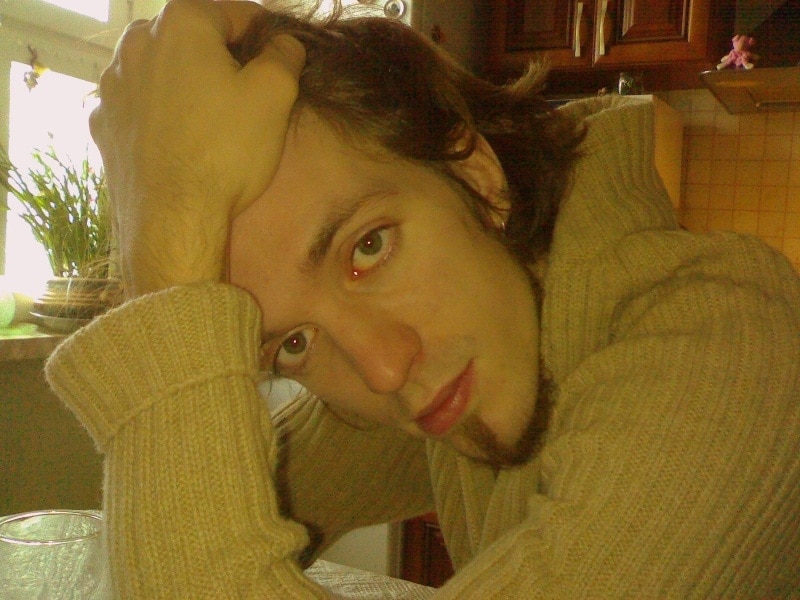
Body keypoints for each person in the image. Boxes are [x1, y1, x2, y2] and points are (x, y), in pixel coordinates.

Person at [44, 0, 800, 597]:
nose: (382, 370)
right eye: (294, 344)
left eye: (368, 248)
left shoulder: (736, 347)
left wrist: (169, 262)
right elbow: (175, 526)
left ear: (475, 174)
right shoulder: (470, 351)